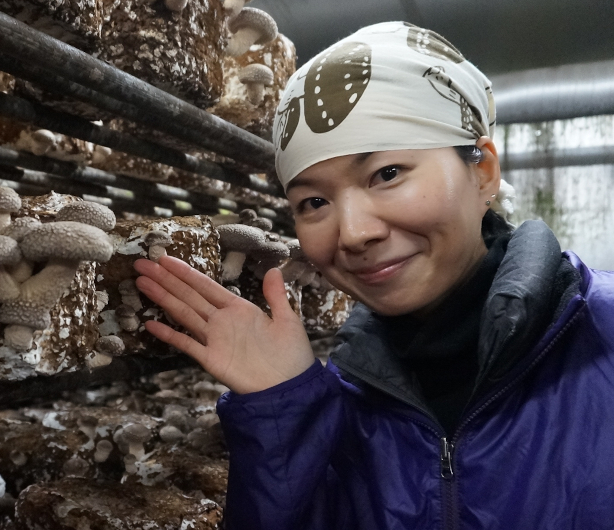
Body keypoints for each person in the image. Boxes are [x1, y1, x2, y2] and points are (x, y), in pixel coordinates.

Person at [133, 21, 614, 529]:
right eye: (314, 202)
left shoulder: (601, 339)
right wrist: (284, 411)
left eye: (387, 174)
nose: (354, 233)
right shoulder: (343, 396)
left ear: (483, 172)